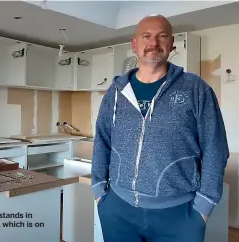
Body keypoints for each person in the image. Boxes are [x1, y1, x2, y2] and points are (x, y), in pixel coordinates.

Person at [91, 14, 229, 242]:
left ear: (171, 43)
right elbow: (102, 141)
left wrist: (203, 207)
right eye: (146, 36)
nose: (153, 43)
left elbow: (215, 148)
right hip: (118, 209)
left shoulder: (196, 89)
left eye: (162, 36)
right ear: (134, 45)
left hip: (179, 214)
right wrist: (99, 192)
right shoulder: (115, 92)